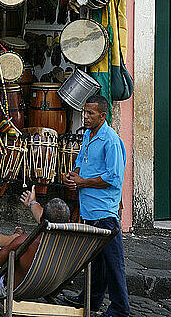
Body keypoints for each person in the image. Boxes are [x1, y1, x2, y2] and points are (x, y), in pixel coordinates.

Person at [64, 94, 130, 317]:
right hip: (89, 209)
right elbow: (81, 166)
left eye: (90, 113)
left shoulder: (111, 140)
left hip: (105, 211)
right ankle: (90, 300)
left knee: (114, 264)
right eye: (84, 112)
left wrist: (82, 182)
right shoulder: (87, 136)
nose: (85, 116)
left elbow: (113, 177)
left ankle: (121, 308)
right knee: (97, 262)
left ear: (103, 115)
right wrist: (73, 177)